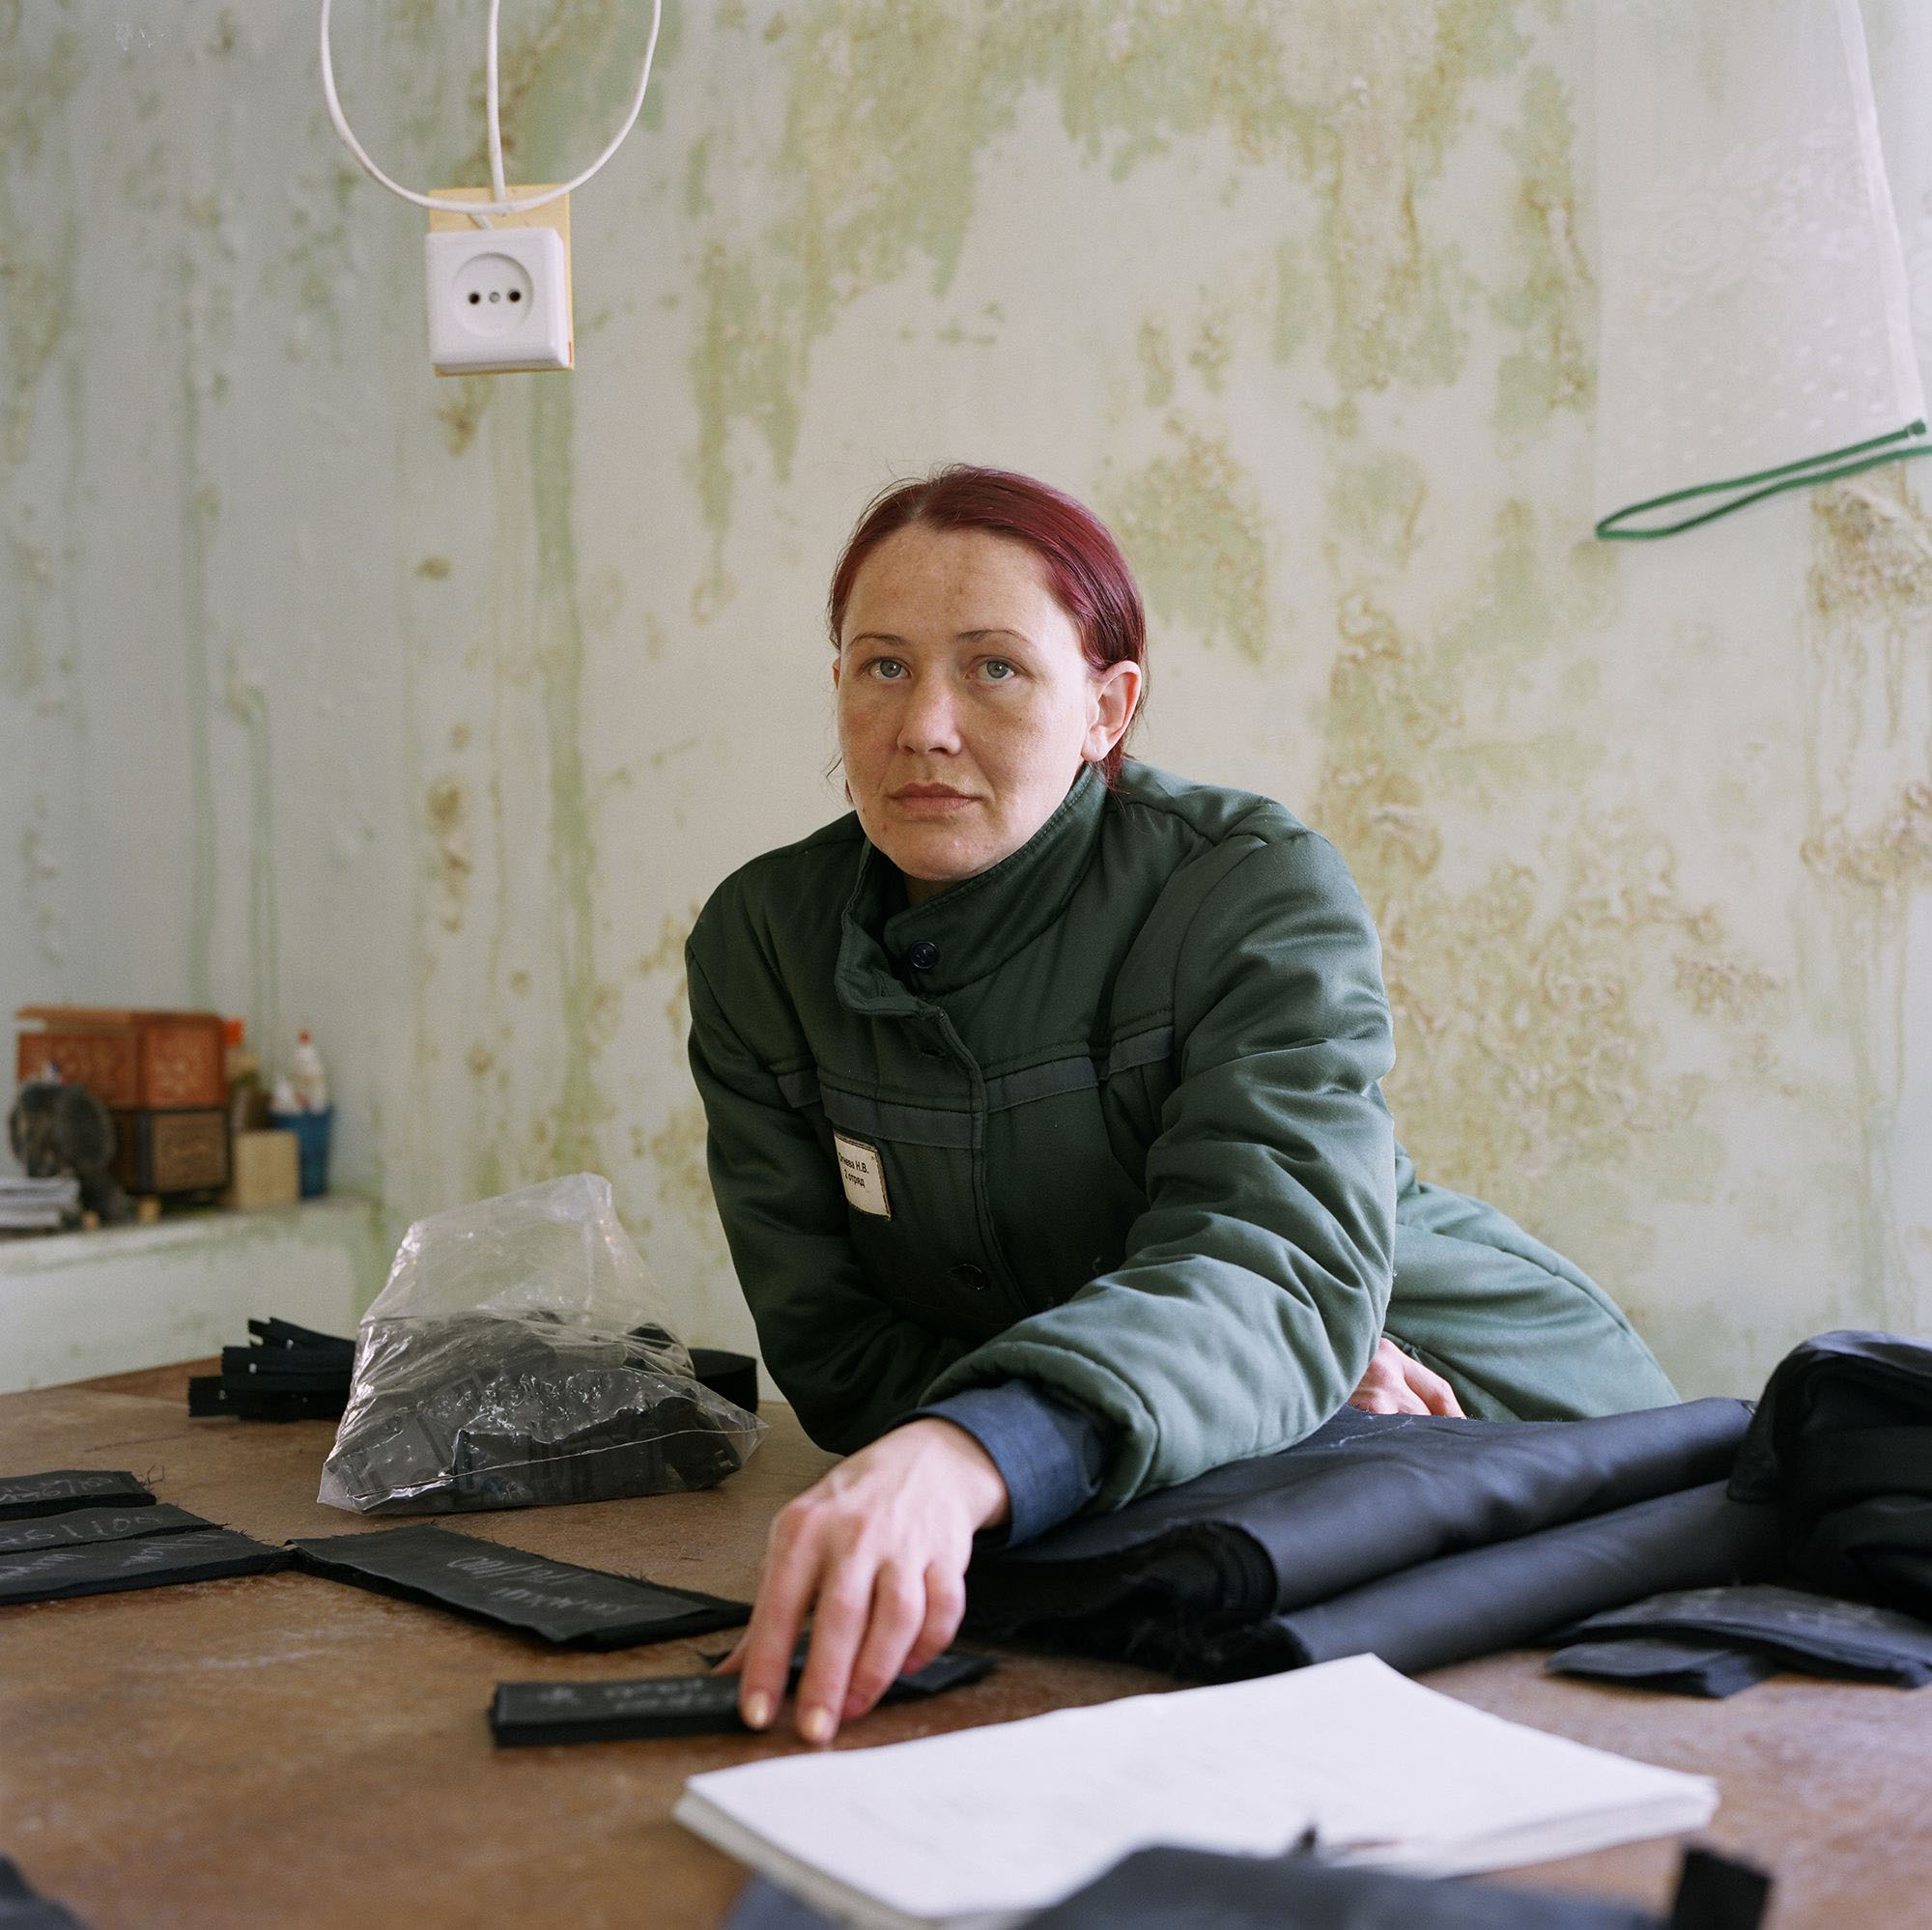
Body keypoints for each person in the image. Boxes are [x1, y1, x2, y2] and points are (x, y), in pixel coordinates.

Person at [687, 466, 1677, 1744]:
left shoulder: (1250, 888)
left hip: (1475, 1421)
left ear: (1106, 708)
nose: (925, 723)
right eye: (883, 667)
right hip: (1216, 1498)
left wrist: (1235, 1369)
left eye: (994, 667)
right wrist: (1211, 1403)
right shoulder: (762, 945)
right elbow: (837, 1357)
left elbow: (1270, 1267)